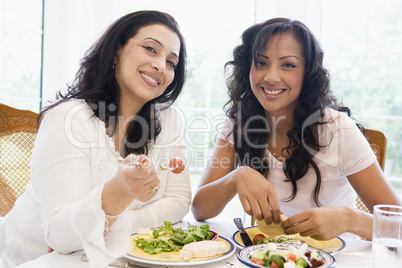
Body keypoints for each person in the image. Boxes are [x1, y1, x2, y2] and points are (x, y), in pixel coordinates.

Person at [0, 10, 191, 267]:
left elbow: (179, 201)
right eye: (150, 49)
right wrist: (117, 192)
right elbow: (60, 238)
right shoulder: (69, 119)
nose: (161, 66)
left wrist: (114, 224)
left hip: (114, 256)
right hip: (35, 259)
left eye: (171, 62)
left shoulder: (168, 119)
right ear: (116, 51)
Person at [191, 18, 401, 241]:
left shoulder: (338, 130)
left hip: (334, 258)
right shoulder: (239, 121)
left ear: (308, 73)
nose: (271, 77)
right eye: (261, 63)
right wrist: (237, 177)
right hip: (268, 256)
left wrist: (351, 219)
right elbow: (201, 210)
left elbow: (397, 226)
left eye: (288, 65)